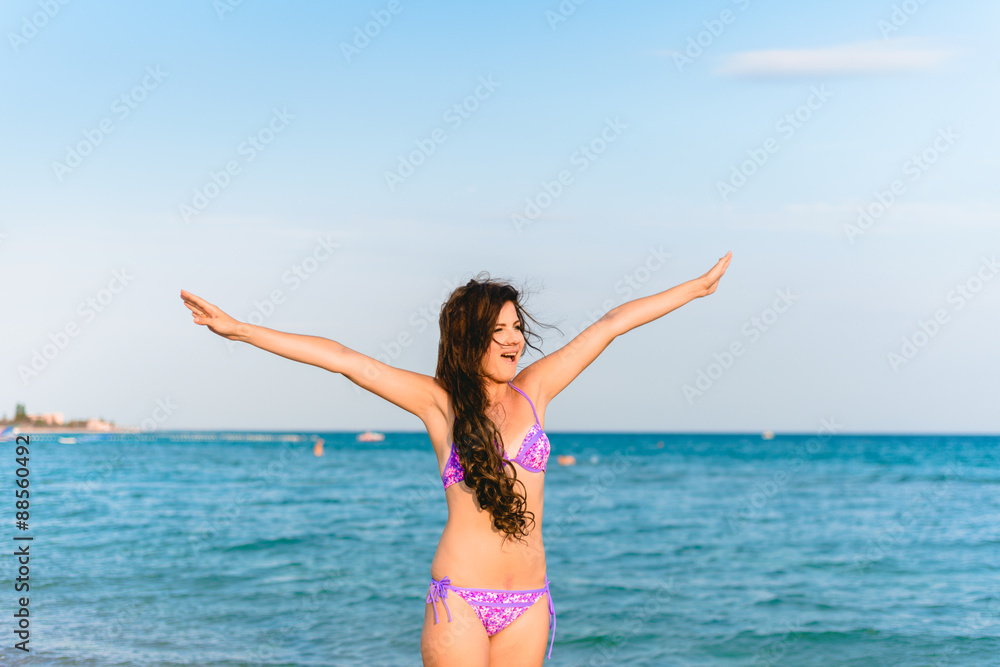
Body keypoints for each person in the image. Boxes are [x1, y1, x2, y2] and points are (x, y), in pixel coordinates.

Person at [180, 251, 731, 666]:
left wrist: (694, 289)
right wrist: (241, 330)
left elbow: (610, 325)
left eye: (517, 327)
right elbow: (350, 362)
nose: (514, 340)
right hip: (460, 601)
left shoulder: (535, 390)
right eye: (499, 331)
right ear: (472, 339)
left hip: (530, 602)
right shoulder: (439, 403)